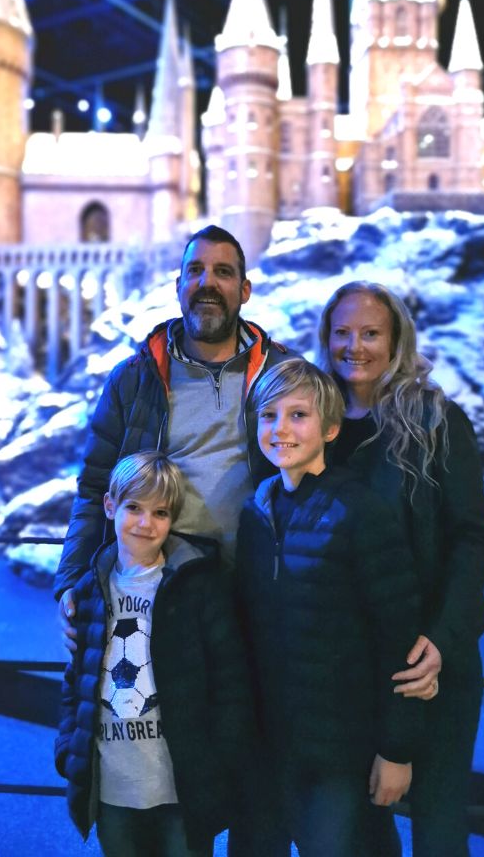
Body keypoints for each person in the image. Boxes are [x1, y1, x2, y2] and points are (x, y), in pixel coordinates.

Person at [317, 281, 484, 857]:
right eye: (342, 333)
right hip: (354, 674)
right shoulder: (313, 427)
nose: (355, 346)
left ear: (395, 340)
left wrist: (442, 641)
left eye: (371, 333)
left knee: (439, 833)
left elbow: (473, 539)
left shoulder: (438, 422)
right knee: (363, 833)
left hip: (433, 666)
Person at [54, 224, 294, 650]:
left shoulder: (283, 374)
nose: (208, 283)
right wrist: (71, 580)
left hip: (259, 595)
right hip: (160, 597)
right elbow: (95, 488)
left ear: (245, 289)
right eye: (196, 270)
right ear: (178, 284)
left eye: (223, 272)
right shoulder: (134, 379)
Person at [235, 358, 425, 857]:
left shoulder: (360, 514)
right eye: (269, 415)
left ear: (331, 428)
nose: (280, 429)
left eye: (298, 415)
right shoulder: (255, 513)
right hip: (268, 751)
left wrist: (396, 751)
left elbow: (400, 642)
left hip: (342, 754)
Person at [55, 450, 253, 857]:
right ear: (110, 507)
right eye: (134, 508)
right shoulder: (92, 589)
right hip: (112, 788)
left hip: (180, 789)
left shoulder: (197, 586)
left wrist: (219, 760)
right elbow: (77, 680)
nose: (146, 523)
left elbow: (231, 683)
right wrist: (67, 749)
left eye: (160, 513)